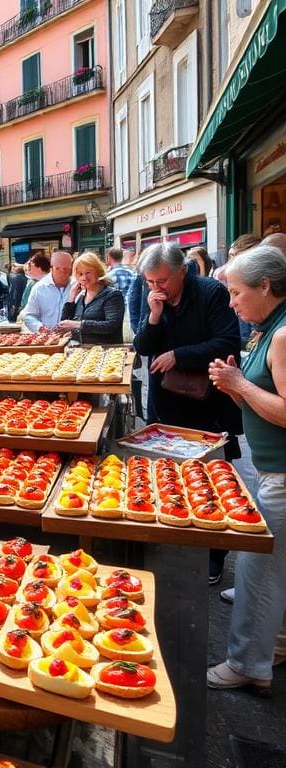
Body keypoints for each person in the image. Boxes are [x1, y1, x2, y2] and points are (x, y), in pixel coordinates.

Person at [133, 241, 243, 585]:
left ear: (182, 271)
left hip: (206, 400)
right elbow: (141, 346)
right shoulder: (148, 291)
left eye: (162, 281)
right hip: (166, 399)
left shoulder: (211, 292)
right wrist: (152, 316)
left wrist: (180, 355)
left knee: (209, 476)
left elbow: (227, 342)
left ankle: (213, 555)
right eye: (150, 281)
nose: (156, 288)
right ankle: (173, 534)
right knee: (167, 472)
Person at [207, 244, 286, 691]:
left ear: (265, 286)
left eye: (237, 293)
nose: (233, 303)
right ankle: (274, 645)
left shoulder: (282, 334)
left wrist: (239, 384)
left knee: (260, 572)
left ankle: (246, 664)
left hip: (282, 471)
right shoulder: (267, 327)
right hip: (274, 466)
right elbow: (263, 400)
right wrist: (235, 388)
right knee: (277, 568)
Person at [58, 252, 126, 344]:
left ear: (98, 271)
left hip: (107, 352)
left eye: (88, 272)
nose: (84, 277)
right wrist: (71, 297)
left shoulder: (112, 295)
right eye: (80, 274)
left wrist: (79, 324)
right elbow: (64, 324)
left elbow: (111, 326)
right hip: (82, 353)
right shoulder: (81, 296)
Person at [24, 251, 73, 331]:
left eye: (66, 269)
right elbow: (29, 315)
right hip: (47, 338)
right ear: (51, 268)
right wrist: (39, 327)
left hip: (71, 338)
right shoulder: (39, 288)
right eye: (58, 268)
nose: (62, 272)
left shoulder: (77, 286)